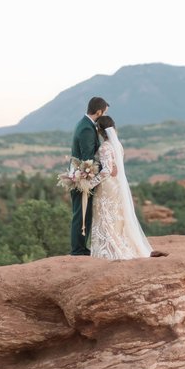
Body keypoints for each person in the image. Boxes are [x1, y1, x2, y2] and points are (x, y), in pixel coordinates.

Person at [90, 114, 153, 260]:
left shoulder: (105, 147)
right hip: (117, 185)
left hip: (108, 187)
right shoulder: (117, 145)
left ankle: (108, 251)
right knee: (116, 216)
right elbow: (115, 167)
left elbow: (106, 171)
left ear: (99, 131)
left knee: (105, 215)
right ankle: (116, 245)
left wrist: (90, 183)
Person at [69, 96, 111, 255]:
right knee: (81, 213)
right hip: (82, 177)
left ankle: (80, 247)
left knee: (82, 212)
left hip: (82, 175)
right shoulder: (87, 128)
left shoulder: (84, 124)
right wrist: (106, 167)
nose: (104, 116)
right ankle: (78, 250)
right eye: (104, 112)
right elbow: (88, 159)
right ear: (99, 111)